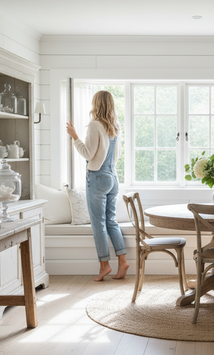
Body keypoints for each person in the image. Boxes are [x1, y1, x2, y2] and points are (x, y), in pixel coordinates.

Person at [66, 90, 130, 281]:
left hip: (98, 178)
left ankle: (104, 265)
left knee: (99, 223)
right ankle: (123, 260)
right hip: (113, 177)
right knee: (111, 221)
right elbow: (114, 154)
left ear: (96, 104)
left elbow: (88, 153)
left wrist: (74, 136)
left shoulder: (95, 125)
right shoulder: (115, 126)